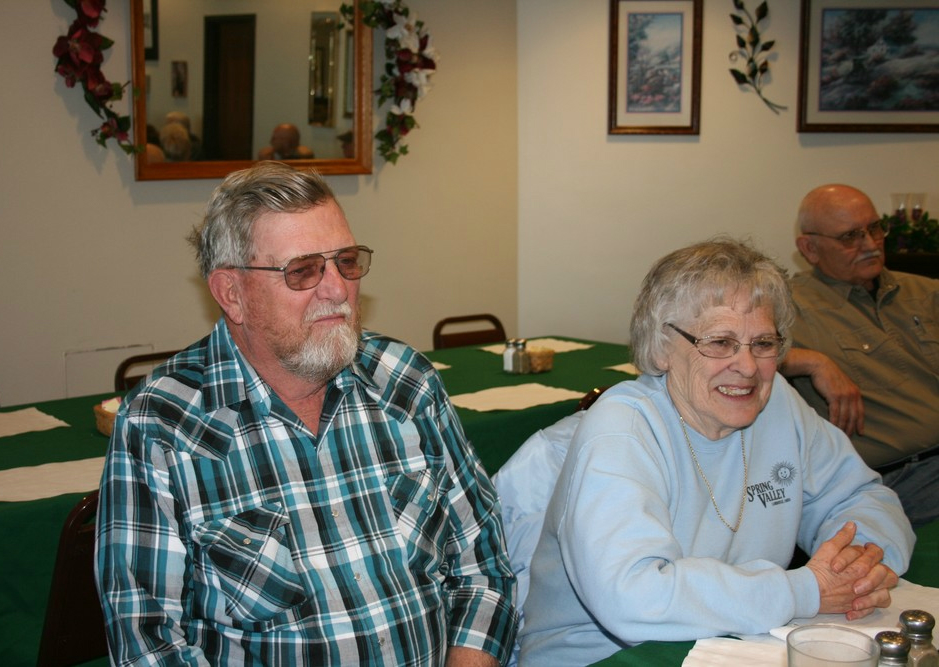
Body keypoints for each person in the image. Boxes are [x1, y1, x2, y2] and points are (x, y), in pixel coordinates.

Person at [95, 162, 517, 666]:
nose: (337, 289)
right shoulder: (162, 425)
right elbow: (148, 644)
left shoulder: (404, 381)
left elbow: (482, 566)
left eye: (346, 261)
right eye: (303, 270)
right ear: (232, 293)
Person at [516, 239, 915, 667]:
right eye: (721, 342)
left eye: (763, 343)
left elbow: (863, 498)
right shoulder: (623, 428)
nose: (748, 366)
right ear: (662, 348)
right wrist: (805, 590)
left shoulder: (777, 403)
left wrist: (858, 569)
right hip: (605, 657)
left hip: (735, 641)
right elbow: (633, 598)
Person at [785, 184, 939, 527]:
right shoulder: (790, 306)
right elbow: (725, 353)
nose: (870, 244)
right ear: (809, 248)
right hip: (897, 478)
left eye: (875, 228)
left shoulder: (926, 292)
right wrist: (812, 361)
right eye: (850, 237)